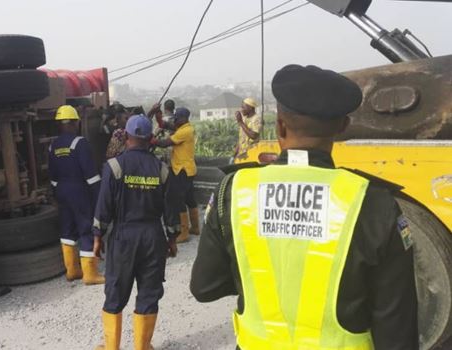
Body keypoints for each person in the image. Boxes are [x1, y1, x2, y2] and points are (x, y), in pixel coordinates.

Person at [190, 65, 417, 349]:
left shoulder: (235, 190)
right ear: (343, 128)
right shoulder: (372, 200)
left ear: (280, 126)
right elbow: (397, 329)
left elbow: (204, 288)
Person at [93, 114, 179, 350]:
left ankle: (111, 347)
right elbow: (170, 209)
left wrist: (97, 237)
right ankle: (142, 346)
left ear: (127, 137)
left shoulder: (114, 166)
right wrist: (172, 238)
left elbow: (104, 207)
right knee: (149, 292)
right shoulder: (161, 169)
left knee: (115, 290)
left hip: (123, 237)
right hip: (153, 237)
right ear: (150, 138)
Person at [49, 105, 104, 285]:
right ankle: (90, 274)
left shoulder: (53, 145)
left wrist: (57, 193)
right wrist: (99, 197)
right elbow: (91, 175)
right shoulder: (80, 143)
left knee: (67, 229)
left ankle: (72, 270)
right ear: (75, 123)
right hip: (79, 191)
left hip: (61, 191)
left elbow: (53, 175)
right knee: (86, 227)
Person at [151, 107, 200, 243]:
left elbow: (164, 143)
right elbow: (164, 125)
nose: (175, 120)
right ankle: (195, 227)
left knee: (178, 201)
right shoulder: (184, 127)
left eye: (177, 118)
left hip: (181, 170)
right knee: (190, 198)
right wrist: (158, 115)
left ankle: (183, 233)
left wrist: (151, 139)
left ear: (183, 119)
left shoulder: (184, 131)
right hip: (188, 169)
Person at [233, 97, 262, 162]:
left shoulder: (256, 119)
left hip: (252, 153)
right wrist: (235, 154)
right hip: (243, 154)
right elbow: (242, 138)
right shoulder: (244, 119)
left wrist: (240, 122)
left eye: (243, 107)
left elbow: (254, 136)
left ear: (251, 108)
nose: (241, 109)